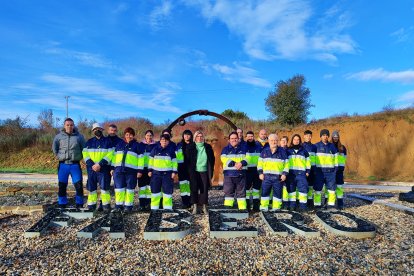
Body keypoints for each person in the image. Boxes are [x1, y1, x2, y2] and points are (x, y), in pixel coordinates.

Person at [52, 118, 86, 208]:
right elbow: (54, 148)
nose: (69, 126)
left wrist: (82, 158)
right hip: (63, 165)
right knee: (62, 186)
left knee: (78, 185)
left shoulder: (79, 137)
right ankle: (62, 204)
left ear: (73, 125)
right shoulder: (58, 136)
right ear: (64, 126)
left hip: (75, 165)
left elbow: (84, 149)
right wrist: (58, 156)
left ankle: (79, 204)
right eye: (67, 125)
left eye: (71, 125)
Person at [82, 123, 113, 211]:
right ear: (93, 131)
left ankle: (106, 206)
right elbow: (85, 154)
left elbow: (110, 154)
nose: (97, 130)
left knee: (104, 187)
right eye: (95, 129)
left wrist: (100, 164)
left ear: (102, 130)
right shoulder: (89, 142)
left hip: (103, 168)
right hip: (91, 169)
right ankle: (91, 206)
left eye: (99, 129)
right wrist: (92, 165)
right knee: (91, 188)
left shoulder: (108, 141)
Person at [111, 127, 143, 212]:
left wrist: (140, 170)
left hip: (131, 171)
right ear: (125, 135)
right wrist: (112, 168)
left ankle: (128, 207)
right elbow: (114, 157)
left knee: (130, 189)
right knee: (119, 189)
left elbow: (141, 159)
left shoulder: (137, 145)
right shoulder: (119, 144)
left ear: (133, 135)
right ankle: (118, 206)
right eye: (127, 134)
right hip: (118, 170)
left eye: (131, 134)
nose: (129, 136)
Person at [185, 130, 215, 214]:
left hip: (204, 171)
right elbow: (187, 161)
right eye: (198, 136)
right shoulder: (190, 147)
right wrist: (189, 171)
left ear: (203, 138)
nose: (199, 138)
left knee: (204, 189)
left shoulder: (208, 147)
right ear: (194, 138)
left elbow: (212, 159)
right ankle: (194, 206)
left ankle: (204, 206)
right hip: (194, 171)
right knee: (194, 188)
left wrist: (211, 170)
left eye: (201, 136)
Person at [258, 134, 289, 211]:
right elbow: (259, 164)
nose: (273, 142)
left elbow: (287, 164)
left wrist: (284, 174)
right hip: (266, 177)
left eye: (275, 140)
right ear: (268, 141)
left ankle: (276, 208)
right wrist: (260, 173)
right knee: (265, 193)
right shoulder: (264, 151)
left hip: (278, 178)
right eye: (271, 140)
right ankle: (264, 207)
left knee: (277, 193)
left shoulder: (282, 152)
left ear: (277, 141)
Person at [148, 134, 178, 210]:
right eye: (162, 140)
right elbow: (150, 161)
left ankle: (167, 209)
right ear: (160, 141)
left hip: (167, 175)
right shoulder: (155, 149)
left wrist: (174, 172)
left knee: (167, 193)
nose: (164, 141)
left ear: (168, 142)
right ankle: (154, 209)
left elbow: (174, 162)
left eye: (166, 140)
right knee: (155, 193)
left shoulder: (171, 150)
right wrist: (150, 170)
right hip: (156, 174)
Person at [221, 131, 248, 210]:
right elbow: (223, 158)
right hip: (229, 175)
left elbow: (248, 158)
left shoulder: (244, 148)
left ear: (238, 139)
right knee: (229, 193)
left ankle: (242, 210)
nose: (234, 140)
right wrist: (235, 164)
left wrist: (242, 163)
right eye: (232, 138)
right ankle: (227, 209)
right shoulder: (225, 149)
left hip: (241, 175)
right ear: (229, 140)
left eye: (235, 138)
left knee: (241, 194)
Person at [314, 129, 339, 209]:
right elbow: (313, 160)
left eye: (326, 135)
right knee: (318, 190)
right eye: (323, 135)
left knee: (331, 190)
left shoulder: (332, 146)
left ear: (328, 136)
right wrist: (315, 170)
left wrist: (335, 171)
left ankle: (331, 205)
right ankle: (317, 205)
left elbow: (336, 160)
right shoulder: (316, 146)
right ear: (320, 136)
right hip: (319, 172)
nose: (325, 137)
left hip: (330, 173)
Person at [286, 134, 311, 211]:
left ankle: (303, 207)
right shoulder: (288, 151)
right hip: (291, 174)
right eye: (294, 139)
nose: (296, 141)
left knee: (303, 190)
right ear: (292, 141)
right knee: (291, 190)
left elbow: (308, 162)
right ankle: (292, 206)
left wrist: (308, 171)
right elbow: (285, 162)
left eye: (298, 140)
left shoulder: (304, 151)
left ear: (300, 141)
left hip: (301, 174)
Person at [138, 130, 157, 211]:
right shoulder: (140, 145)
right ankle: (142, 204)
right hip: (142, 168)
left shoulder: (155, 145)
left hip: (151, 169)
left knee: (149, 187)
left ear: (152, 136)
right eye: (147, 135)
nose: (149, 137)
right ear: (145, 136)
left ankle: (148, 203)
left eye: (150, 135)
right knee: (142, 187)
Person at [245, 130, 262, 211]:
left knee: (256, 189)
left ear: (253, 137)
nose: (250, 138)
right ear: (246, 137)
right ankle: (247, 205)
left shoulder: (258, 146)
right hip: (247, 171)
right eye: (248, 136)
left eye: (251, 136)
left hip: (256, 170)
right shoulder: (244, 146)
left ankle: (256, 206)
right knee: (247, 189)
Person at [175, 130, 193, 209]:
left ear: (191, 136)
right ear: (183, 136)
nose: (187, 136)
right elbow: (175, 157)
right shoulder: (179, 145)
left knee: (190, 185)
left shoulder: (193, 144)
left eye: (188, 135)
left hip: (191, 168)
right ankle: (184, 202)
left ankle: (190, 201)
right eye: (185, 135)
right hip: (181, 168)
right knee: (183, 185)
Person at [331, 131, 347, 209]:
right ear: (332, 137)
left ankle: (340, 203)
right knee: (330, 188)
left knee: (339, 187)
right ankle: (329, 203)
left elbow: (344, 159)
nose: (335, 138)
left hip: (339, 171)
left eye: (336, 137)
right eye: (334, 137)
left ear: (338, 137)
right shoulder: (330, 147)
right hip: (331, 171)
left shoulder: (342, 148)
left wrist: (342, 168)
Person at [302, 130, 317, 207]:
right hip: (303, 170)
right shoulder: (301, 146)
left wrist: (315, 170)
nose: (308, 137)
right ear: (304, 136)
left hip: (312, 170)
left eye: (310, 136)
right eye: (307, 135)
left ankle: (310, 201)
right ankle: (302, 202)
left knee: (311, 186)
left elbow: (316, 159)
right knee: (303, 186)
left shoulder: (314, 147)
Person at [279, 135, 289, 208]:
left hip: (286, 172)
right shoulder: (277, 150)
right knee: (277, 188)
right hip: (278, 172)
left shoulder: (289, 151)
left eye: (285, 141)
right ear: (280, 142)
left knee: (285, 188)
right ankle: (276, 203)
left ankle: (285, 203)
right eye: (282, 141)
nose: (284, 142)